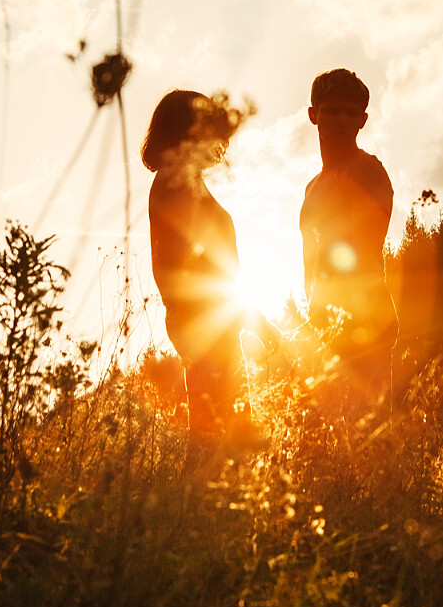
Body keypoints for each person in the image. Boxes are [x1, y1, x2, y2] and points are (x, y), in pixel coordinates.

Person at [143, 89, 279, 442]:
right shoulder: (174, 187)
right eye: (202, 127)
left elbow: (217, 273)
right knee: (214, 437)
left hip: (213, 326)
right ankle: (195, 495)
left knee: (223, 435)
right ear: (183, 132)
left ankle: (201, 494)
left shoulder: (186, 184)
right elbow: (181, 269)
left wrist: (253, 321)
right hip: (204, 327)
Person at [299, 69, 398, 402]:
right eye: (332, 110)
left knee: (367, 439)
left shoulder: (368, 171)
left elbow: (364, 249)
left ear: (363, 120)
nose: (342, 120)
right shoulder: (312, 189)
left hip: (365, 324)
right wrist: (312, 327)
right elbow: (308, 265)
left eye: (351, 113)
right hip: (323, 328)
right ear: (314, 115)